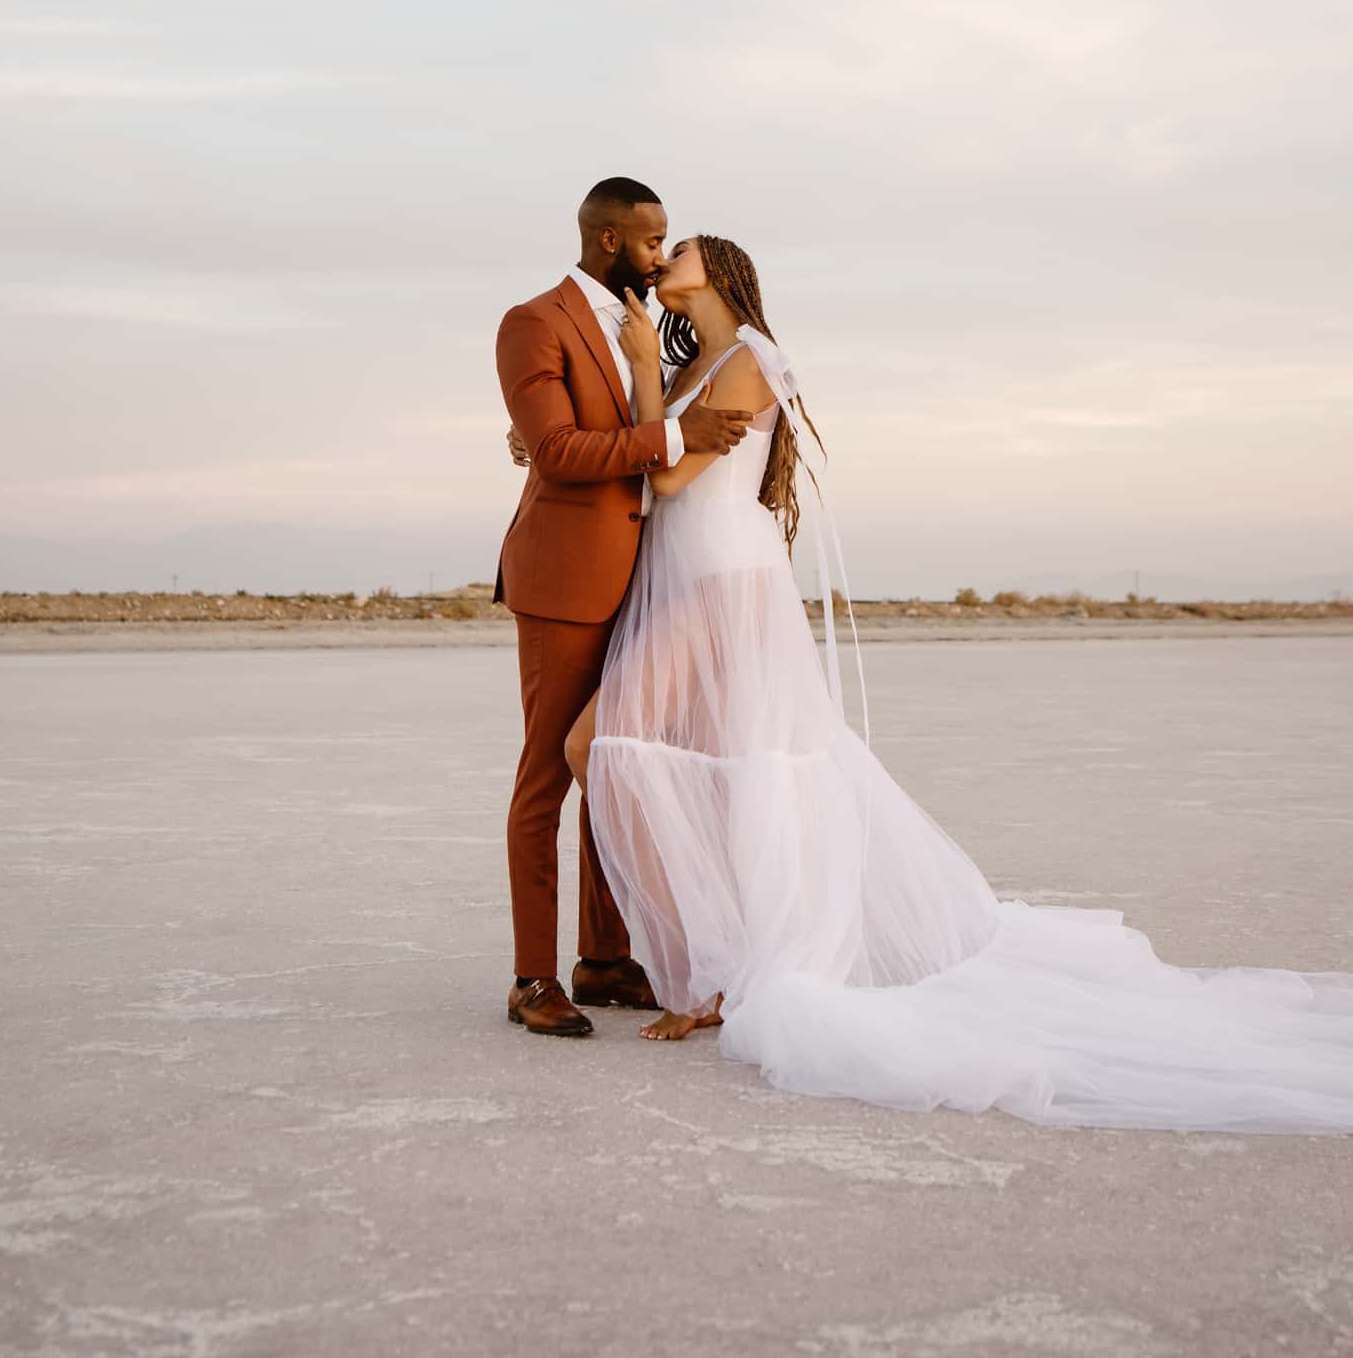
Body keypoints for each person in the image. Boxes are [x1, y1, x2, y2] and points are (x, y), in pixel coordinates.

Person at [556, 231, 1353, 1131]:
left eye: (684, 247)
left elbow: (666, 472)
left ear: (725, 270)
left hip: (721, 582)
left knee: (610, 746)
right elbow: (657, 454)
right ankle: (714, 964)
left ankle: (706, 977)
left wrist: (634, 388)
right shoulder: (700, 360)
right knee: (682, 758)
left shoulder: (751, 359)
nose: (666, 256)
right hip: (693, 577)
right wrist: (626, 384)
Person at [493, 179, 752, 1036]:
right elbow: (562, 450)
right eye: (653, 241)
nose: (660, 253)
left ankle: (602, 958)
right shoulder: (533, 321)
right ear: (611, 240)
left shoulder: (654, 342)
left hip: (649, 582)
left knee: (614, 761)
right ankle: (533, 977)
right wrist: (678, 435)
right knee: (548, 775)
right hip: (565, 582)